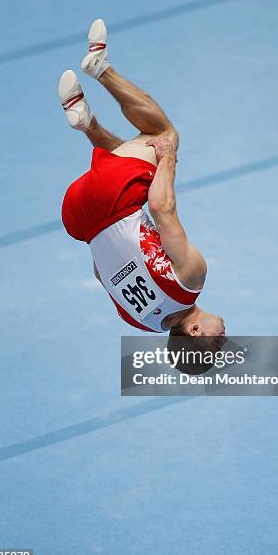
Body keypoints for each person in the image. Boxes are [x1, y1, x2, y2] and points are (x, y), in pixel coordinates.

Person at [59, 18, 225, 339]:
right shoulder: (140, 322)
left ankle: (100, 67)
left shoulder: (192, 277)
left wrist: (168, 161)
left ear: (193, 331)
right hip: (79, 221)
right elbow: (100, 272)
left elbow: (161, 208)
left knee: (162, 135)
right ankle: (87, 122)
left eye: (217, 340)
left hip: (113, 202)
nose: (224, 334)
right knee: (132, 164)